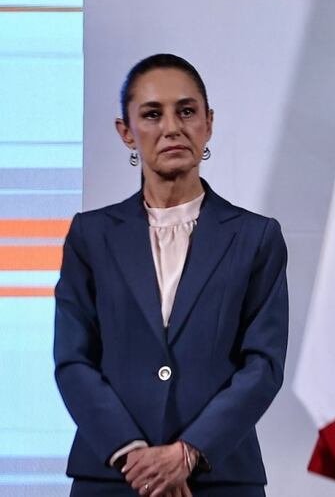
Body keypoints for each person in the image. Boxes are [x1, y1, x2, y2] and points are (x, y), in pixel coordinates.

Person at [53, 54, 288, 496]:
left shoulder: (257, 237)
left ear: (208, 123)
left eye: (186, 111)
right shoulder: (91, 235)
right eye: (151, 114)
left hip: (219, 480)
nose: (171, 127)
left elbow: (263, 365)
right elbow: (73, 360)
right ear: (126, 132)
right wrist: (133, 454)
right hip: (113, 477)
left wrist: (187, 453)